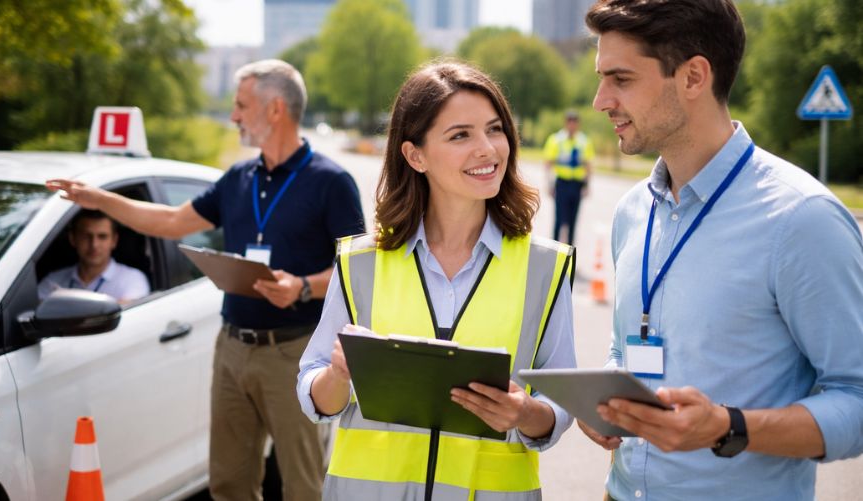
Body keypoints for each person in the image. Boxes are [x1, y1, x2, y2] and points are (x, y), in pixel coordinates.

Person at [579, 1, 863, 500]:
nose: (601, 100)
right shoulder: (631, 212)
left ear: (693, 77)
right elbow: (625, 349)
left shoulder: (803, 220)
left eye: (621, 79)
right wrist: (610, 403)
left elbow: (857, 400)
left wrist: (726, 426)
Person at [46, 59, 365, 500]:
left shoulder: (331, 182)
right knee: (230, 483)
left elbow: (359, 273)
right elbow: (173, 220)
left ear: (275, 110)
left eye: (240, 105)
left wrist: (302, 286)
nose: (233, 115)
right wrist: (99, 199)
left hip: (294, 351)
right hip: (232, 349)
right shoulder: (237, 178)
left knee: (303, 487)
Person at [297, 61, 578, 500]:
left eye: (495, 129)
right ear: (415, 155)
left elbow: (560, 403)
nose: (487, 149)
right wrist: (337, 376)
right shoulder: (361, 262)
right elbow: (315, 395)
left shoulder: (545, 266)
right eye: (460, 135)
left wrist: (524, 412)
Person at [38, 209, 150, 302]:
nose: (94, 245)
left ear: (114, 241)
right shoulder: (53, 281)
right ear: (73, 239)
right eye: (86, 236)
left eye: (102, 237)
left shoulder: (132, 280)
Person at [543, 110, 595, 244]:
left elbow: (588, 165)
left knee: (573, 221)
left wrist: (587, 186)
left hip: (576, 185)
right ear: (566, 123)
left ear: (578, 124)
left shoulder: (584, 142)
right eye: (569, 122)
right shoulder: (556, 140)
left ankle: (569, 254)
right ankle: (553, 250)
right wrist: (549, 184)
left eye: (575, 123)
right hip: (561, 184)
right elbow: (548, 164)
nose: (572, 126)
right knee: (559, 220)